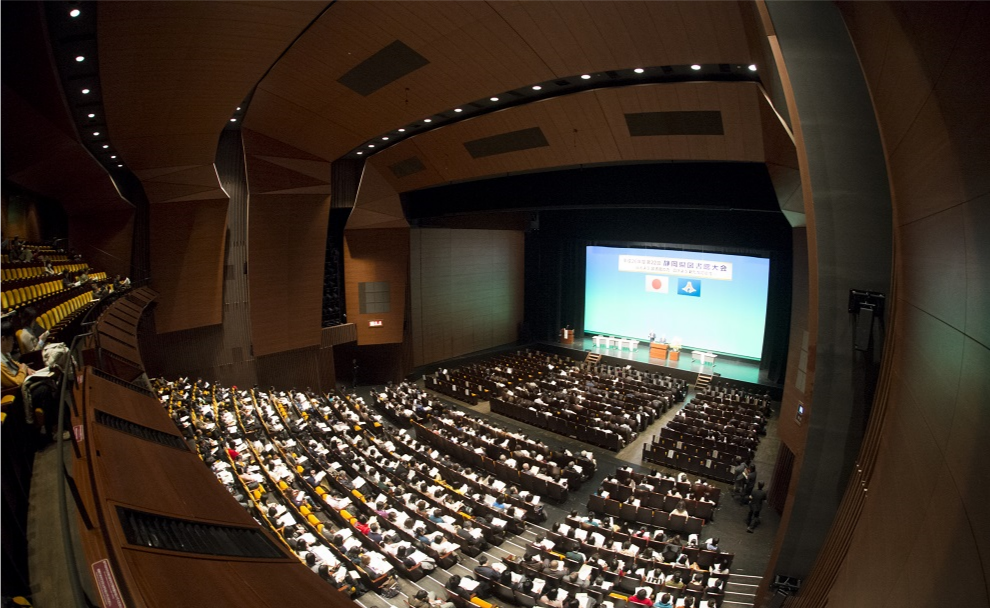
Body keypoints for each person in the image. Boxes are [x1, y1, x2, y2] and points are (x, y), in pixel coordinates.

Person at [1, 320, 34, 389]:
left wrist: (26, 368)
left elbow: (15, 364)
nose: (13, 342)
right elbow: (17, 383)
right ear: (3, 339)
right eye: (12, 339)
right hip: (14, 394)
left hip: (21, 386)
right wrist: (23, 370)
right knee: (43, 388)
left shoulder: (5, 354)